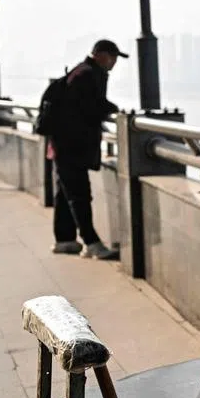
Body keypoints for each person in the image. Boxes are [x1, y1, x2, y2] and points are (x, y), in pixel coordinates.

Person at [48, 39, 124, 260]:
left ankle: (64, 240)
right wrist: (113, 109)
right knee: (79, 195)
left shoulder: (81, 72)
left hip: (64, 144)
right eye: (112, 57)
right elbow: (89, 107)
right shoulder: (87, 75)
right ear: (100, 55)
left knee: (65, 193)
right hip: (71, 146)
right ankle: (92, 243)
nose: (114, 62)